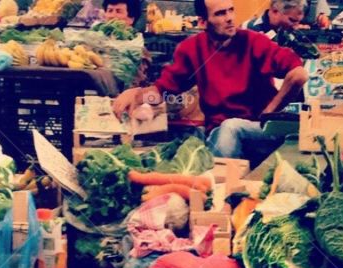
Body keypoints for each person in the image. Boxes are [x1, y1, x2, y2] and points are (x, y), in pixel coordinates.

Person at [112, 0, 307, 160]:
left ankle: (217, 192)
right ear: (203, 22)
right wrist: (137, 95)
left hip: (258, 131)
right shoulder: (192, 49)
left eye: (231, 10)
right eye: (220, 14)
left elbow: (298, 75)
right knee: (224, 130)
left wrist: (269, 113)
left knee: (232, 126)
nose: (230, 18)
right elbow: (163, 91)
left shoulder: (254, 42)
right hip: (219, 133)